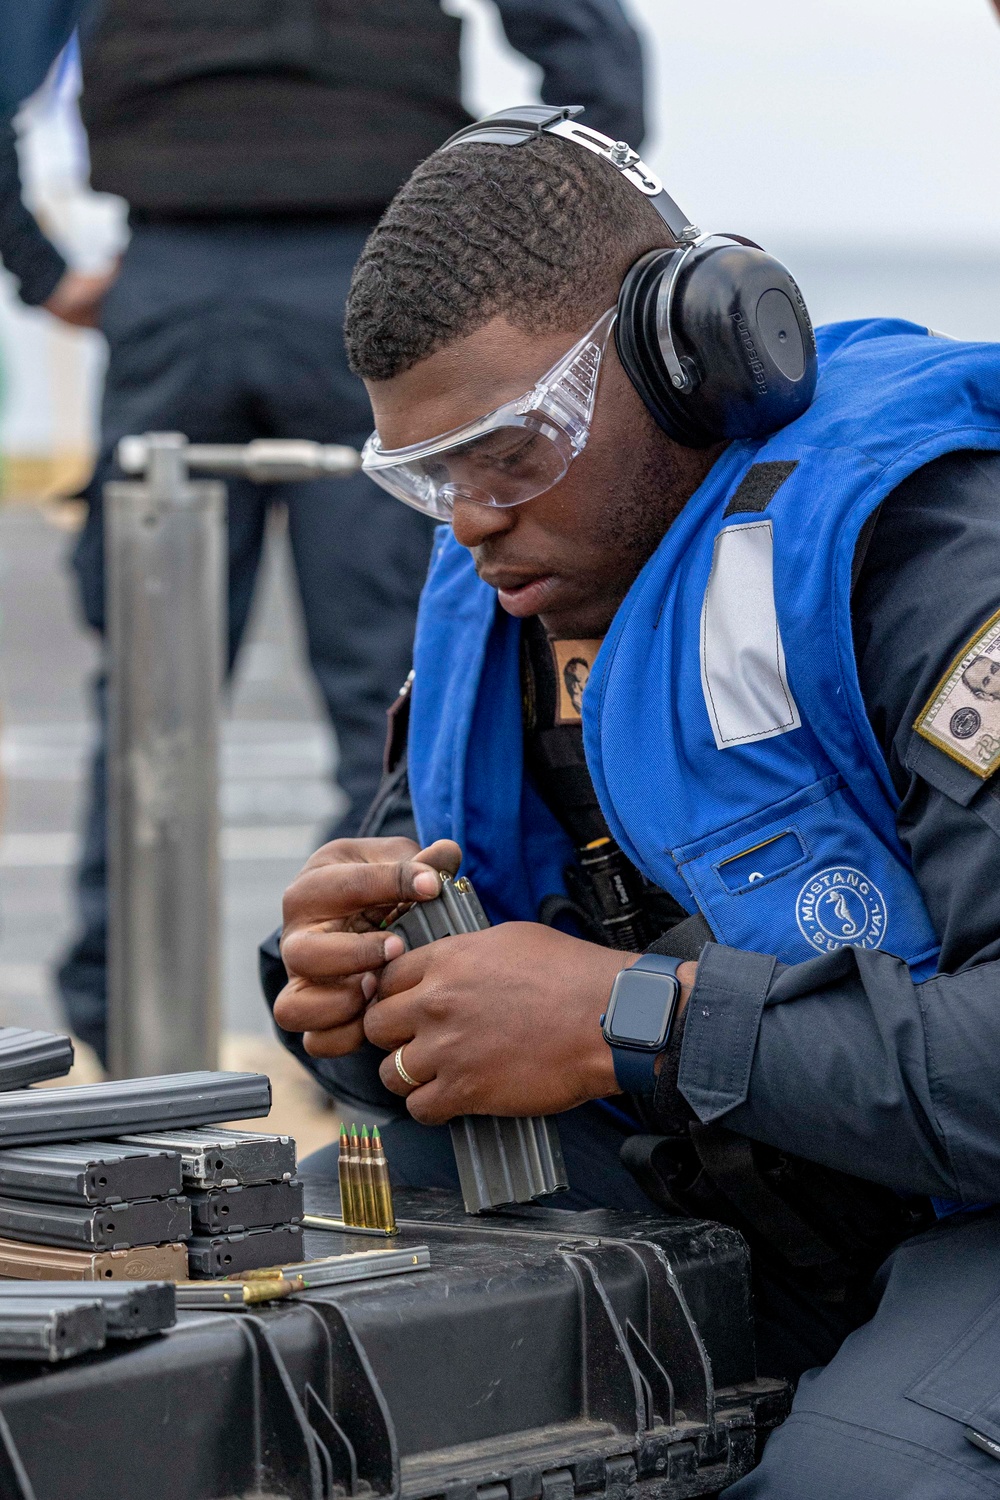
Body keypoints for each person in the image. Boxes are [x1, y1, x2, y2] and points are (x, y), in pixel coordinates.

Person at [262, 106, 1000, 1496]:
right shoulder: (505, 611)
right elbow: (473, 1009)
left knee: (872, 1479)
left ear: (692, 359)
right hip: (761, 1181)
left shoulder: (927, 556)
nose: (472, 514)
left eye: (513, 448)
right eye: (427, 476)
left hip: (971, 1198)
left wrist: (627, 1022)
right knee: (281, 1345)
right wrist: (350, 1001)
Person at [0, 4, 646, 1063]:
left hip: (177, 280)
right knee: (392, 689)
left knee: (155, 691)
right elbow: (585, 47)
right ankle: (387, 1028)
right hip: (369, 267)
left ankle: (127, 1064)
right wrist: (510, 251)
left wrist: (43, 269)